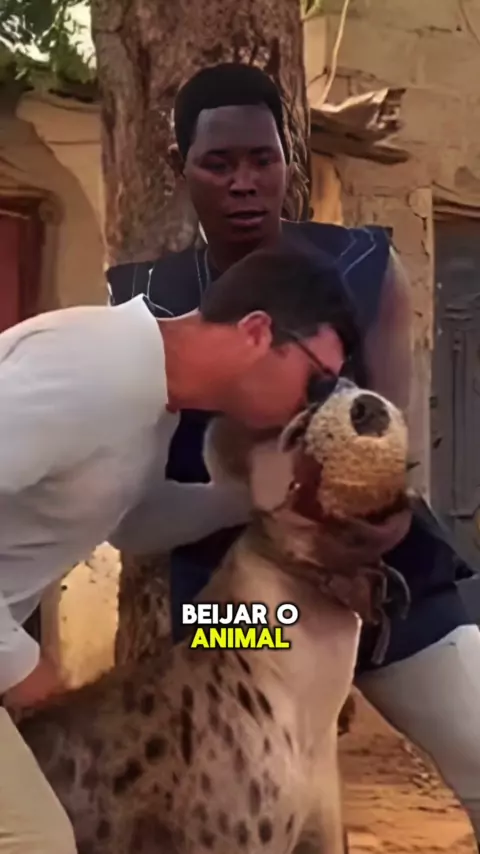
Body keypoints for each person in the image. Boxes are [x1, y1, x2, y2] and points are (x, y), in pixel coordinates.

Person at [107, 62, 480, 846]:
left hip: (385, 578)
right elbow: (138, 506)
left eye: (262, 159)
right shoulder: (147, 304)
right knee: (266, 811)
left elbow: (392, 446)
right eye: (218, 163)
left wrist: (370, 532)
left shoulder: (365, 270)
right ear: (181, 167)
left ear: (290, 159)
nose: (244, 183)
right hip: (236, 604)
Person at [0, 243, 355, 854]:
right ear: (257, 331)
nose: (311, 405)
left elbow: (130, 524)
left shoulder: (151, 395)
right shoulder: (93, 369)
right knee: (35, 838)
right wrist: (15, 660)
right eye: (316, 380)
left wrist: (247, 500)